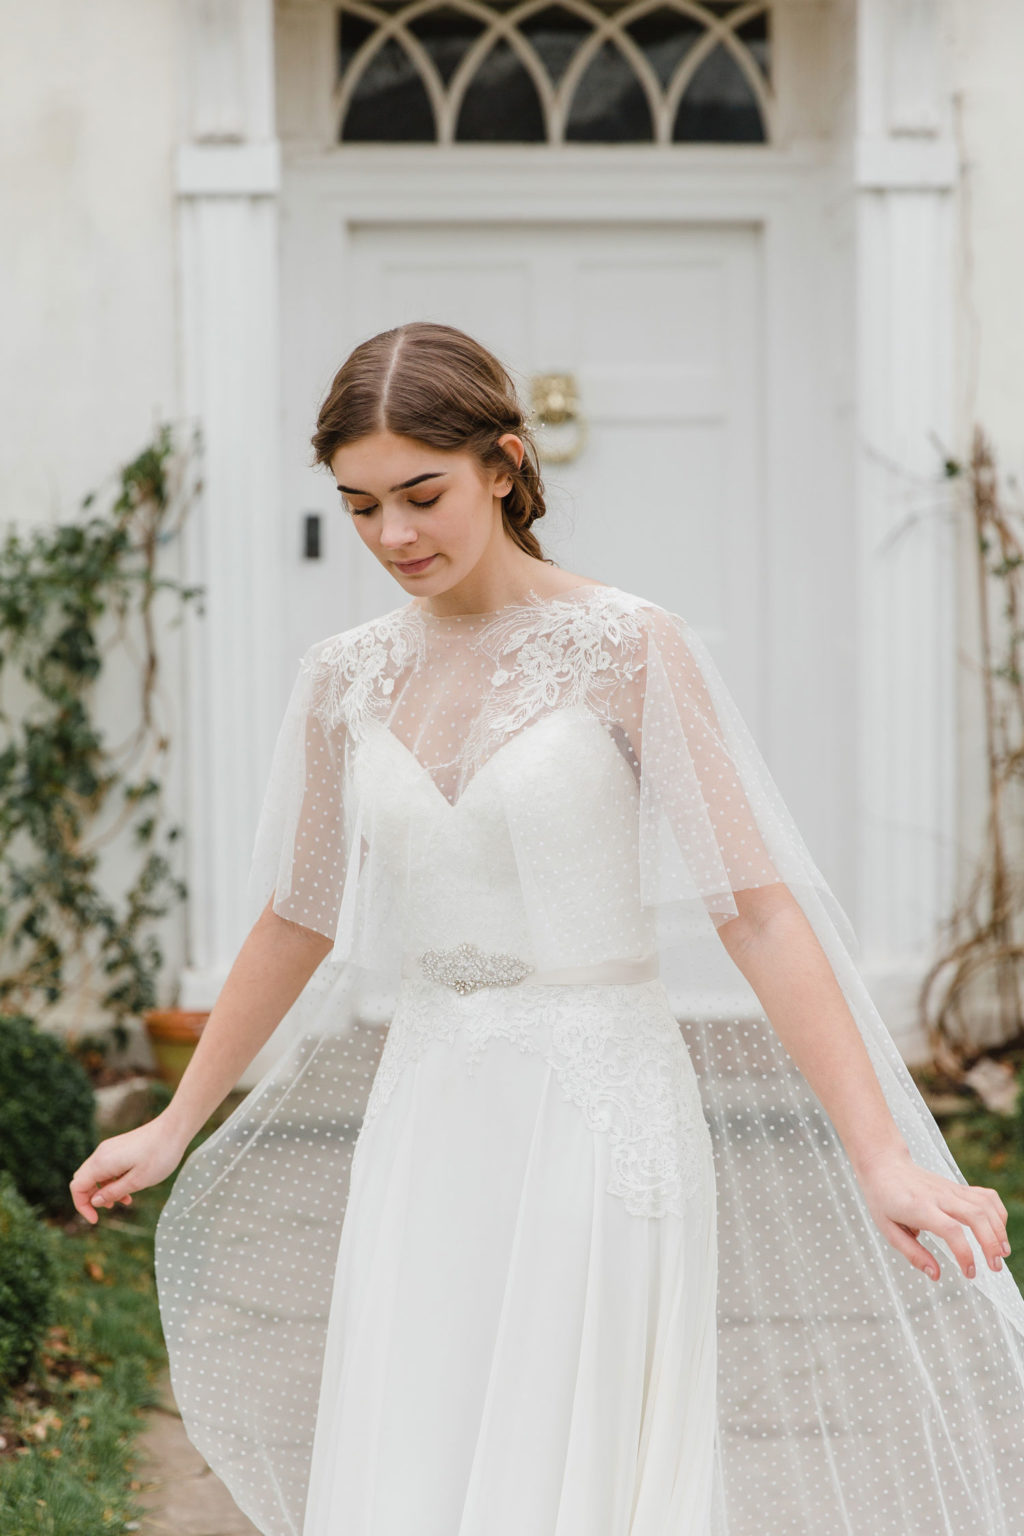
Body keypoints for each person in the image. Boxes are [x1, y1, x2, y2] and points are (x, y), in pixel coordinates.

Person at [71, 321, 1024, 1535]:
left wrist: (882, 1153)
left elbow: (761, 912)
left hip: (597, 1110)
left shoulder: (627, 645)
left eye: (421, 494)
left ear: (505, 467)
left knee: (571, 1459)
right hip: (425, 1115)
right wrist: (174, 1119)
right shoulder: (343, 676)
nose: (394, 537)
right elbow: (295, 918)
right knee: (420, 1437)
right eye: (360, 508)